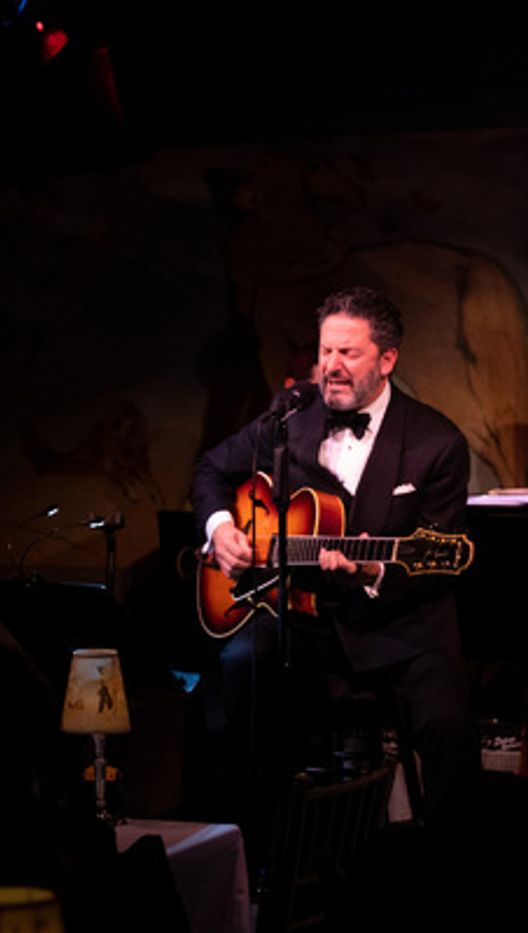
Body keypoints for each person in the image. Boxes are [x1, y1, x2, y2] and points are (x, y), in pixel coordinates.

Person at [191, 285, 477, 836]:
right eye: (326, 351)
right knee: (237, 672)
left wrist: (374, 570)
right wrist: (221, 528)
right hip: (306, 621)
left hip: (401, 628)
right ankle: (255, 846)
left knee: (447, 729)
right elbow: (211, 468)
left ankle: (449, 861)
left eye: (348, 353)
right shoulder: (290, 419)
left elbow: (441, 553)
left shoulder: (437, 442)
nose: (332, 366)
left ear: (387, 360)